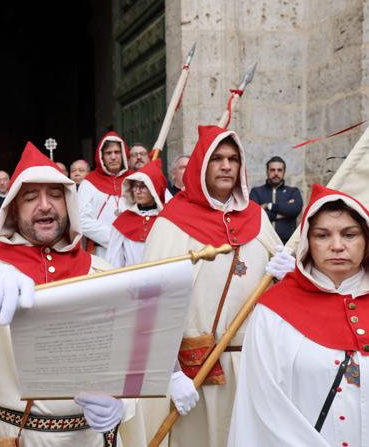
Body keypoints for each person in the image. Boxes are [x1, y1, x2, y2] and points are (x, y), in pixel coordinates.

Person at [0, 142, 144, 447]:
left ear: (69, 205)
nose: (45, 205)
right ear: (14, 209)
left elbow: (130, 359)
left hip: (89, 438)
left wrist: (123, 405)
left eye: (55, 196)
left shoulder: (99, 272)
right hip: (8, 435)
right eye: (31, 197)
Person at [141, 125, 289, 447]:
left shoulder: (257, 218)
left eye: (233, 159)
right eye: (217, 159)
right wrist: (171, 374)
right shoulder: (172, 222)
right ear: (201, 165)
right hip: (196, 373)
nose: (226, 166)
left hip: (252, 366)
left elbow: (283, 298)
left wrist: (285, 276)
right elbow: (150, 305)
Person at [228, 185, 369, 446]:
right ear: (307, 242)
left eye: (349, 234)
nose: (337, 246)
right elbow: (263, 405)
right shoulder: (273, 313)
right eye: (323, 235)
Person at [78, 132, 133, 258]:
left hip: (133, 250)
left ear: (124, 154)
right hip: (102, 251)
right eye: (108, 153)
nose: (113, 157)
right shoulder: (89, 183)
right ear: (101, 156)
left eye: (117, 152)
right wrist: (114, 239)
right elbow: (82, 220)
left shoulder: (135, 180)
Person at [107, 160, 167, 268]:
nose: (137, 191)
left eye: (143, 187)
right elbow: (114, 261)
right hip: (131, 281)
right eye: (135, 186)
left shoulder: (167, 220)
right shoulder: (123, 222)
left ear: (155, 189)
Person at [250, 156, 304, 243]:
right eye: (272, 170)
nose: (276, 173)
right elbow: (254, 215)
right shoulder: (256, 192)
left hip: (287, 243)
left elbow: (295, 209)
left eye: (279, 170)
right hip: (263, 243)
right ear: (267, 172)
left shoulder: (293, 192)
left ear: (284, 172)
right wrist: (284, 211)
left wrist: (268, 206)